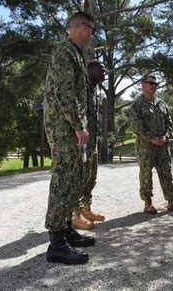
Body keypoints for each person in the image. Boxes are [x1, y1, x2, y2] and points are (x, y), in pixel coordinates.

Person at [43, 11, 97, 265]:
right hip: (64, 127)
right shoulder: (65, 51)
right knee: (63, 180)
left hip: (69, 127)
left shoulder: (75, 52)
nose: (92, 36)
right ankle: (56, 243)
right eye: (92, 30)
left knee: (73, 180)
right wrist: (78, 125)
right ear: (83, 27)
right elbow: (65, 92)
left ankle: (65, 230)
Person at [130, 75, 173, 214]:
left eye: (156, 83)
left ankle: (171, 202)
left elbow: (169, 122)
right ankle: (148, 204)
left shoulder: (162, 103)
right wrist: (151, 139)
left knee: (166, 173)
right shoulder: (137, 104)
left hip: (162, 146)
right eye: (151, 83)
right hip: (146, 147)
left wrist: (166, 136)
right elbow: (135, 126)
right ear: (143, 85)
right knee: (146, 175)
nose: (154, 85)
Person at [72, 60, 106, 230]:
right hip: (80, 142)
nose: (104, 72)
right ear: (91, 70)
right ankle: (76, 217)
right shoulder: (81, 87)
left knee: (91, 177)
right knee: (79, 178)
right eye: (101, 69)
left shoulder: (95, 90)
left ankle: (87, 209)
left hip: (92, 143)